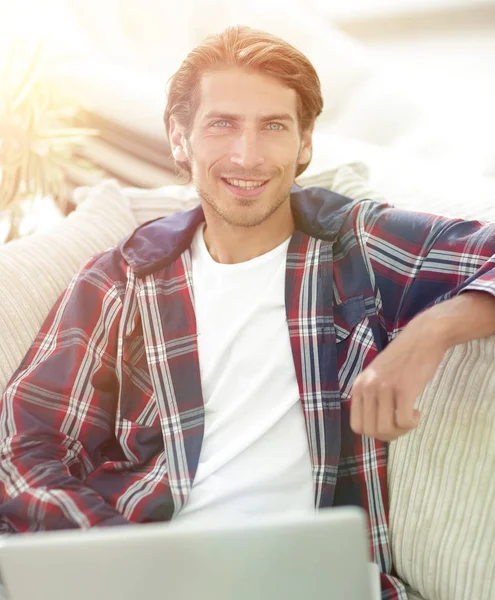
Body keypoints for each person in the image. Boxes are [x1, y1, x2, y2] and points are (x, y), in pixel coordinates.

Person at [1, 25, 495, 599]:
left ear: (305, 144)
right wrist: (131, 561)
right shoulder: (122, 280)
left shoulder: (357, 246)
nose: (247, 155)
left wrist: (430, 331)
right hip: (149, 571)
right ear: (179, 139)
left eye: (273, 127)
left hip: (311, 582)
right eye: (222, 124)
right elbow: (23, 445)